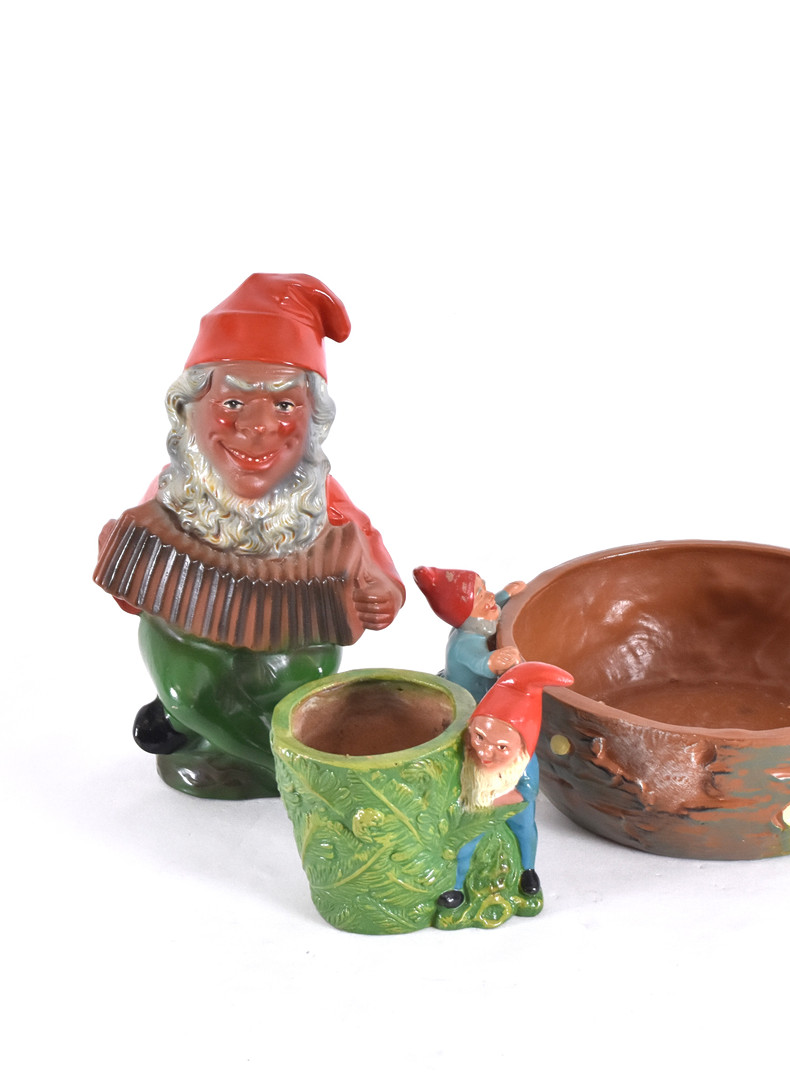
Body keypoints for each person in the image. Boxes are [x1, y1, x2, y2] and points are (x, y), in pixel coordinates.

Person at [95, 274, 404, 798]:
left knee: (299, 685)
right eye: (233, 403)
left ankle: (271, 755)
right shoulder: (173, 494)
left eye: (284, 405)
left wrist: (382, 591)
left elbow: (367, 550)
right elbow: (145, 575)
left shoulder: (320, 497)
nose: (258, 425)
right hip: (189, 637)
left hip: (295, 642)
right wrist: (126, 566)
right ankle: (309, 778)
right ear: (187, 411)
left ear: (313, 420)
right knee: (192, 691)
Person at [437, 661, 574, 909]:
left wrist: (490, 801)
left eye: (501, 747)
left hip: (511, 803)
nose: (484, 752)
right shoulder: (467, 750)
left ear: (520, 748)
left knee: (525, 831)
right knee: (465, 845)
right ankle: (455, 888)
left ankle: (528, 871)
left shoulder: (524, 763)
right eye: (479, 736)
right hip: (473, 801)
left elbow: (527, 792)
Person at [413, 566, 524, 702]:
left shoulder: (475, 623)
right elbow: (481, 663)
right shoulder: (464, 643)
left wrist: (506, 594)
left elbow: (491, 605)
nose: (490, 595)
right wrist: (496, 661)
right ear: (464, 613)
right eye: (480, 595)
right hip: (469, 698)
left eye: (484, 588)